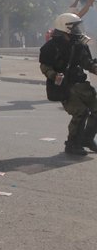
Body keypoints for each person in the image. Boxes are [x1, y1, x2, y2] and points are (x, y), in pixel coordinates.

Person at [39, 13, 97, 156]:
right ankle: (72, 144)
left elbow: (86, 62)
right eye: (75, 27)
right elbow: (45, 66)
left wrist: (94, 67)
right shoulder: (51, 47)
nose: (78, 30)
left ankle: (87, 139)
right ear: (65, 28)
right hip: (65, 86)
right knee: (80, 112)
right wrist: (54, 75)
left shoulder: (78, 44)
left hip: (81, 84)